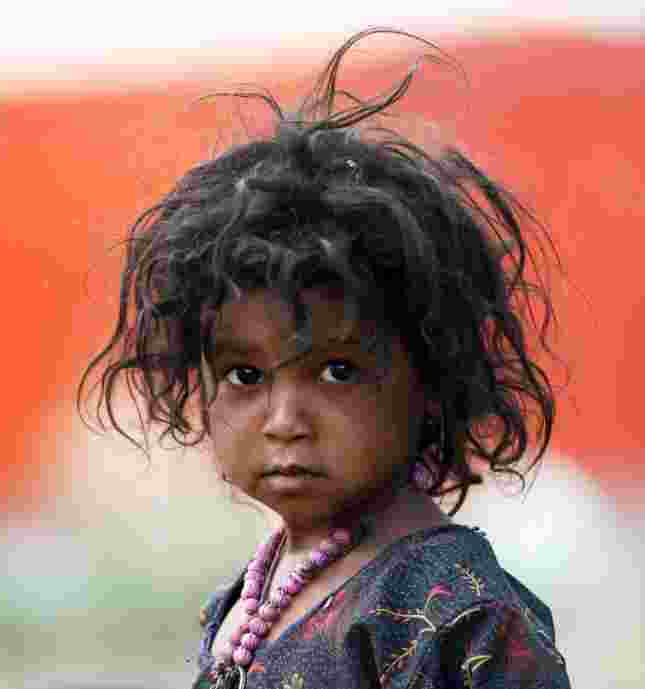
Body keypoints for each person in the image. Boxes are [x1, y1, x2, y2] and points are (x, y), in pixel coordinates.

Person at [80, 27, 571, 689]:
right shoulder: (256, 593)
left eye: (338, 369)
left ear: (430, 378)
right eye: (245, 375)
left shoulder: (457, 614)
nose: (284, 419)